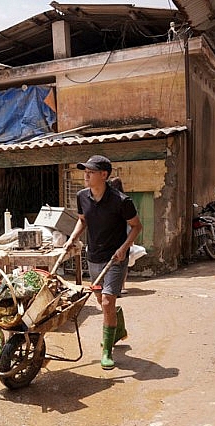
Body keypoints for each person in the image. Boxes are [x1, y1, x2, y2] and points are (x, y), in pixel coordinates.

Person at [64, 155, 142, 370]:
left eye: (91, 171)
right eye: (85, 171)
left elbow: (137, 226)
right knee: (102, 301)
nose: (86, 175)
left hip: (115, 258)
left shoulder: (121, 201)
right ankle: (118, 326)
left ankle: (106, 351)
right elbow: (83, 220)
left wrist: (123, 248)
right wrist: (73, 238)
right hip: (94, 257)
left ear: (104, 175)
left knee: (107, 301)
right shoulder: (82, 196)